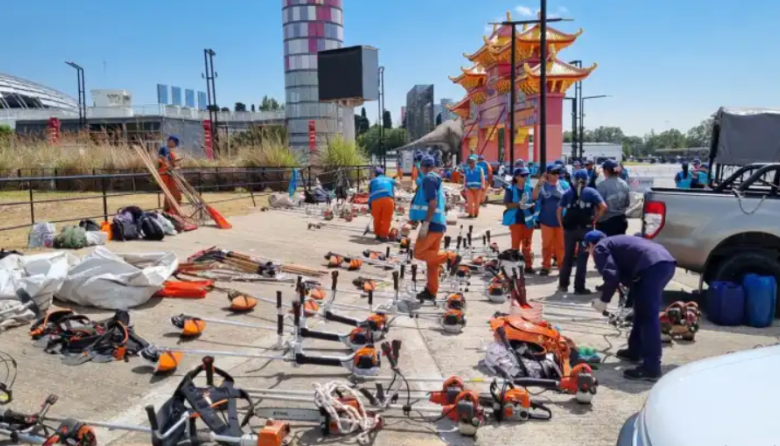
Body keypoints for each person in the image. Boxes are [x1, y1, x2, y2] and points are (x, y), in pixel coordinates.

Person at [586, 231, 677, 381]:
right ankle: (635, 351)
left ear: (590, 245)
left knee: (648, 316)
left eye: (587, 250)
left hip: (653, 266)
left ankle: (652, 367)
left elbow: (611, 275)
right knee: (640, 311)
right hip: (663, 262)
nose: (590, 254)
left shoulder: (600, 248)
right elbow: (626, 275)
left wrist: (604, 300)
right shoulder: (615, 243)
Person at [410, 155, 459, 301]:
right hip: (437, 223)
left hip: (432, 224)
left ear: (423, 166)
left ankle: (451, 257)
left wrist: (425, 224)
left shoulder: (429, 179)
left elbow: (432, 204)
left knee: (418, 253)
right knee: (432, 261)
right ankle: (431, 291)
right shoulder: (434, 178)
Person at [557, 170, 606, 294]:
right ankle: (579, 287)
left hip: (569, 229)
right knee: (582, 258)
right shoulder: (592, 192)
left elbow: (559, 210)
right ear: (587, 179)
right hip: (586, 229)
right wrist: (595, 219)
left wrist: (561, 225)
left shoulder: (567, 192)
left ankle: (563, 285)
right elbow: (604, 207)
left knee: (567, 257)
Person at [532, 164, 567, 276]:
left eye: (558, 173)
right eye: (553, 173)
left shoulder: (564, 184)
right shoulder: (542, 185)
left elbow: (570, 198)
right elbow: (535, 197)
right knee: (546, 245)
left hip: (561, 221)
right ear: (547, 174)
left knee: (561, 246)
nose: (556, 175)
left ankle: (562, 266)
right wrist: (538, 184)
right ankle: (546, 266)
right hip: (546, 220)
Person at [502, 167, 536, 274]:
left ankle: (528, 266)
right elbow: (507, 204)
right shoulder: (510, 189)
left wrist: (531, 205)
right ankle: (515, 267)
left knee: (527, 245)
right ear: (516, 177)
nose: (525, 177)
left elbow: (536, 201)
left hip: (528, 222)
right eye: (522, 175)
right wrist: (519, 205)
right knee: (515, 245)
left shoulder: (530, 188)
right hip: (516, 221)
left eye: (526, 175)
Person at [596, 160, 631, 236]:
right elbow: (627, 203)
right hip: (622, 220)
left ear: (606, 171)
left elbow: (599, 207)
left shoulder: (602, 186)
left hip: (607, 223)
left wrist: (596, 220)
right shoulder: (624, 184)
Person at [368, 167, 396, 241]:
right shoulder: (389, 179)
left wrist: (370, 205)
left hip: (376, 200)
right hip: (389, 200)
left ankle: (377, 234)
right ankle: (383, 236)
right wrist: (394, 202)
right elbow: (393, 191)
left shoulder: (373, 181)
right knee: (387, 218)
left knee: (377, 218)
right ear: (383, 174)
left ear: (375, 174)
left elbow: (370, 193)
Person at [158, 135, 183, 213]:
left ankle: (167, 211)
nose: (175, 146)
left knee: (171, 194)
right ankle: (174, 210)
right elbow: (165, 161)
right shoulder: (164, 149)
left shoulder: (169, 150)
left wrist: (175, 163)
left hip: (170, 174)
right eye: (175, 144)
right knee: (174, 194)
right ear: (171, 141)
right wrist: (173, 163)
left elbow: (171, 163)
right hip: (166, 174)